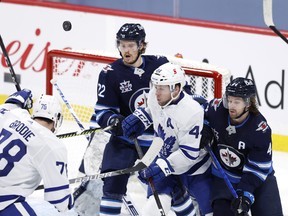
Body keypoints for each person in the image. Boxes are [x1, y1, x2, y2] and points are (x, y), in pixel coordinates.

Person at [77, 23, 169, 215]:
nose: (126, 50)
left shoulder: (160, 65)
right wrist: (114, 121)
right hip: (126, 139)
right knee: (112, 183)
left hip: (157, 141)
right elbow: (103, 112)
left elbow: (179, 98)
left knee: (169, 186)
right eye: (122, 45)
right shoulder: (109, 74)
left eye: (131, 46)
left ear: (142, 45)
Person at [122, 62, 213, 216]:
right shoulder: (154, 95)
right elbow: (154, 112)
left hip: (196, 170)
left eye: (161, 88)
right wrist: (141, 119)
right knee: (153, 208)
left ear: (176, 89)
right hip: (166, 160)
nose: (156, 92)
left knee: (210, 211)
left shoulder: (191, 111)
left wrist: (163, 166)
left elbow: (188, 154)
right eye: (155, 86)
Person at [200, 77, 283, 216]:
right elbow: (200, 110)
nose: (231, 106)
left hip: (258, 179)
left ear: (249, 103)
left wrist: (245, 195)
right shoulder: (217, 109)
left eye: (236, 102)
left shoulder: (260, 129)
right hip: (225, 176)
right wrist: (205, 126)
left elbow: (257, 168)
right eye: (229, 100)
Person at [0, 89, 74, 215]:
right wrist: (69, 199)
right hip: (4, 200)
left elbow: (9, 104)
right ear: (57, 119)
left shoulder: (12, 113)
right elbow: (60, 202)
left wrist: (20, 96)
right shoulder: (52, 145)